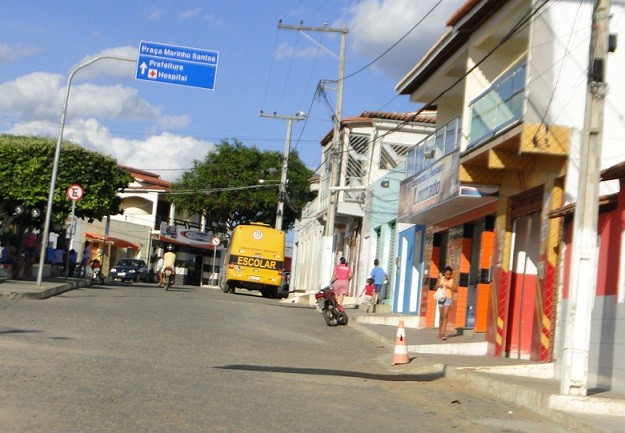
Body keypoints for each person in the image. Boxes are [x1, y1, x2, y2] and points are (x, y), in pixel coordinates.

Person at [436, 265, 458, 340]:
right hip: (441, 298)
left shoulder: (452, 280)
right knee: (441, 316)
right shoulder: (440, 279)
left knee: (445, 316)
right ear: (444, 273)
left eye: (449, 274)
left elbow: (456, 290)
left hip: (448, 298)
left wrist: (450, 287)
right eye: (447, 274)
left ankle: (443, 334)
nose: (448, 276)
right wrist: (440, 286)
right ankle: (439, 332)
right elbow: (434, 287)